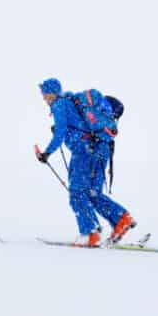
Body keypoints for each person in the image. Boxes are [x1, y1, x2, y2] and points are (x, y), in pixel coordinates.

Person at [36, 78, 136, 247]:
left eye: (45, 93)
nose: (44, 98)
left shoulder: (60, 105)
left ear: (52, 93)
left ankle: (90, 234)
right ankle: (121, 219)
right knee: (92, 193)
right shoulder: (71, 104)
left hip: (84, 151)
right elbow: (75, 126)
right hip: (100, 148)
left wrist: (46, 153)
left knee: (76, 192)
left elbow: (60, 133)